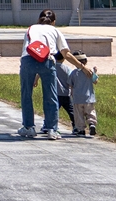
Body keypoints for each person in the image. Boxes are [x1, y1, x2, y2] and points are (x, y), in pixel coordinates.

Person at [17, 10, 92, 139]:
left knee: (26, 94)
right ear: (54, 21)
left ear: (39, 19)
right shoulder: (55, 31)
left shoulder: (31, 28)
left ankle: (29, 127)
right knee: (50, 95)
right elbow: (66, 54)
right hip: (47, 60)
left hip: (28, 60)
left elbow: (27, 47)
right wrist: (82, 67)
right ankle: (52, 129)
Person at [69, 51, 98, 136]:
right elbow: (95, 81)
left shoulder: (74, 73)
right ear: (86, 61)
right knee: (90, 112)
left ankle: (81, 129)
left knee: (79, 115)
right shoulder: (90, 71)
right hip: (89, 98)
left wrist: (71, 94)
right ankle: (92, 124)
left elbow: (70, 84)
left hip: (77, 98)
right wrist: (95, 72)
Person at [51, 51, 77, 132]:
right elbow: (71, 80)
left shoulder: (52, 67)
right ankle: (76, 125)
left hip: (55, 93)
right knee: (71, 111)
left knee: (53, 111)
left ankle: (49, 125)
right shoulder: (67, 68)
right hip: (66, 93)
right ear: (64, 58)